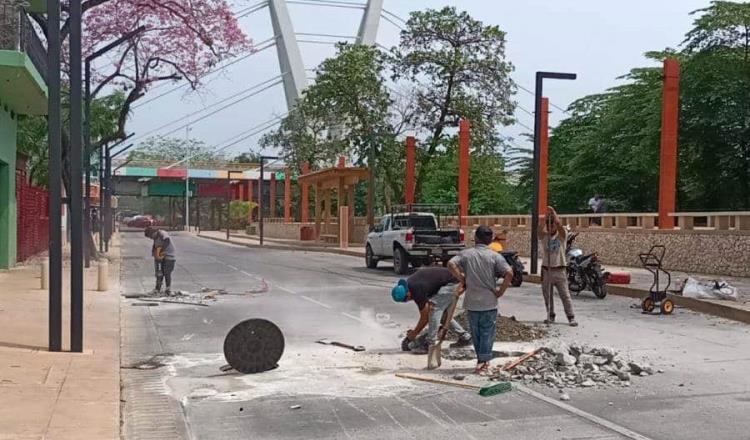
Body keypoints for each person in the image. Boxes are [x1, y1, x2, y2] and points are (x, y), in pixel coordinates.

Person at [448, 225, 513, 375]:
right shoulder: (495, 256)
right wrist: (500, 292)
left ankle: (481, 360)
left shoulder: (466, 254)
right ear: (490, 240)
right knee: (487, 332)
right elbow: (509, 273)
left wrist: (462, 279)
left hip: (472, 301)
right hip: (489, 301)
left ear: (476, 238)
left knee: (476, 333)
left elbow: (451, 264)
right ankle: (483, 362)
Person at [392, 267, 472, 354]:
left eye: (407, 300)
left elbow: (425, 317)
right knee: (440, 314)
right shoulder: (411, 285)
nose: (409, 301)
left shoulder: (416, 289)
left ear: (408, 295)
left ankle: (430, 344)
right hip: (450, 281)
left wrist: (414, 334)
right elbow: (425, 312)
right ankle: (465, 337)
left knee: (434, 310)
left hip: (452, 283)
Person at [539, 207, 578, 327]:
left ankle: (571, 317)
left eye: (552, 226)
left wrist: (555, 216)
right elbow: (539, 231)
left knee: (565, 295)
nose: (550, 228)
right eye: (548, 226)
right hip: (547, 270)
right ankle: (550, 315)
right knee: (547, 296)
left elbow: (561, 228)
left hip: (559, 270)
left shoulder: (561, 237)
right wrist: (544, 219)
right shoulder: (545, 237)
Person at [144, 227, 176, 295]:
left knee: (167, 273)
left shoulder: (162, 233)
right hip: (161, 257)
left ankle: (168, 289)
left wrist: (161, 251)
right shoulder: (155, 238)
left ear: (153, 233)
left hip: (169, 256)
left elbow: (167, 240)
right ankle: (157, 289)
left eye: (150, 236)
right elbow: (155, 246)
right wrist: (155, 254)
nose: (151, 238)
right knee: (159, 273)